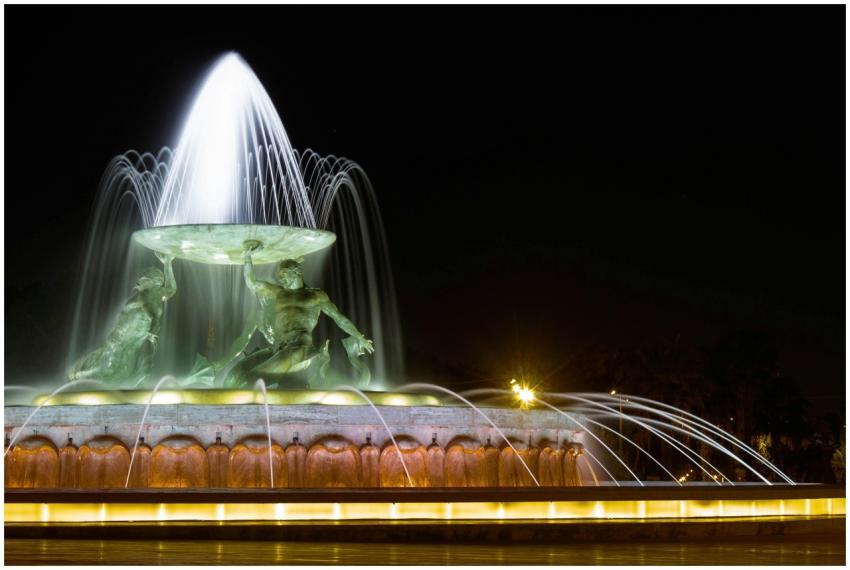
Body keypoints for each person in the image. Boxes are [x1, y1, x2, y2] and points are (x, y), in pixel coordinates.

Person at [203, 240, 373, 388]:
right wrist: (247, 257)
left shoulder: (315, 295)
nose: (280, 279)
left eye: (284, 275)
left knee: (252, 381)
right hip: (276, 348)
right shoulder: (277, 293)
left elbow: (339, 319)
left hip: (298, 348)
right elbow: (252, 283)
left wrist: (359, 337)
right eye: (279, 276)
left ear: (297, 272)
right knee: (233, 379)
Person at [69, 252, 176, 385]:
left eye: (141, 280)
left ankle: (80, 376)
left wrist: (167, 264)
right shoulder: (140, 297)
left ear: (151, 281)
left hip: (132, 348)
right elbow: (141, 306)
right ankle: (79, 374)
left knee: (119, 374)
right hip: (118, 343)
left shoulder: (156, 294)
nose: (138, 283)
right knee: (107, 369)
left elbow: (171, 288)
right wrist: (153, 321)